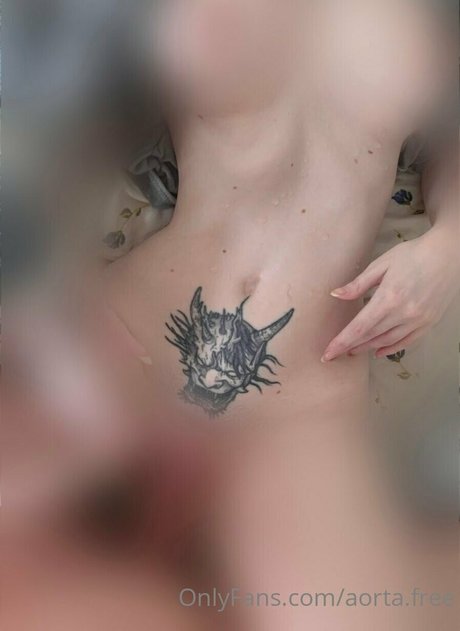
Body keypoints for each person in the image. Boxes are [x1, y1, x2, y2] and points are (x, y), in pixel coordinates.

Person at [104, 1, 458, 628]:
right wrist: (66, 297)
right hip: (129, 349)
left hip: (303, 413)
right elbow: (56, 134)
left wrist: (446, 250)